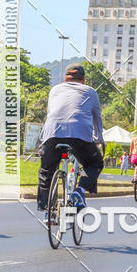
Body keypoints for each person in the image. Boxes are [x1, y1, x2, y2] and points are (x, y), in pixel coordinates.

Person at [36, 63, 104, 218]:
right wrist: (98, 140)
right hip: (79, 137)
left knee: (47, 170)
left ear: (65, 78)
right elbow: (97, 119)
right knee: (95, 163)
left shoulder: (54, 90)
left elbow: (51, 113)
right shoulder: (90, 92)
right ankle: (79, 192)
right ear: (84, 80)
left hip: (52, 135)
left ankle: (47, 208)